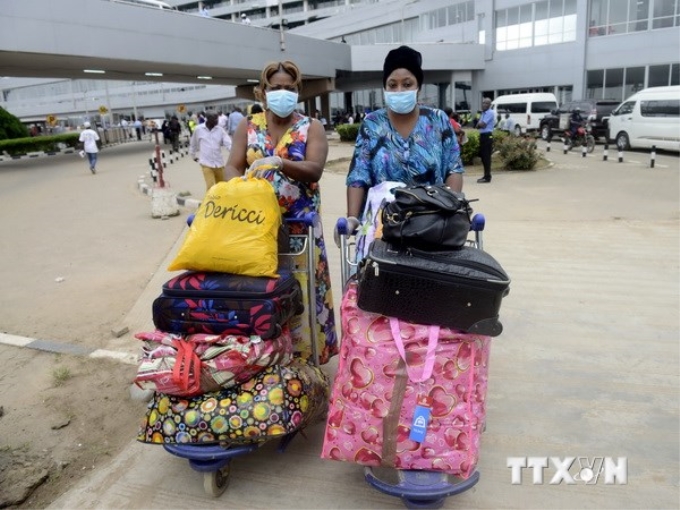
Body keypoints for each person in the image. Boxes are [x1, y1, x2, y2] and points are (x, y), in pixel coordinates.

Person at [224, 60, 337, 365]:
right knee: (262, 290)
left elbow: (314, 170)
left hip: (300, 229)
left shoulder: (310, 127)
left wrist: (280, 162)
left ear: (297, 92)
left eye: (289, 88)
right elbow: (233, 164)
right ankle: (267, 358)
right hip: (257, 227)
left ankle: (306, 361)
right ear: (263, 92)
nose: (282, 93)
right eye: (276, 88)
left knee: (302, 290)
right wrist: (233, 187)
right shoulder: (248, 126)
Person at [345, 45, 464, 248]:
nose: (399, 90)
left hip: (431, 224)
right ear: (385, 87)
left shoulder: (437, 120)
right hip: (380, 227)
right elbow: (358, 175)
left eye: (407, 84)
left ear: (418, 86)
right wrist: (352, 218)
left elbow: (453, 169)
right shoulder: (372, 124)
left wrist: (450, 209)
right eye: (392, 85)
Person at [189, 112, 232, 192]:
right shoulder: (198, 129)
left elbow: (228, 143)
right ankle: (209, 203)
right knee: (211, 187)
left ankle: (221, 203)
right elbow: (193, 143)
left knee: (222, 186)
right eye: (214, 119)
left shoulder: (220, 130)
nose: (217, 121)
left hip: (219, 163)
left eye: (217, 118)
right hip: (206, 163)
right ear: (208, 119)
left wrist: (233, 152)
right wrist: (193, 156)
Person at [476, 97, 495, 183]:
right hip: (483, 135)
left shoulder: (490, 113)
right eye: (483, 103)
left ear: (490, 105)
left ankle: (487, 177)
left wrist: (479, 124)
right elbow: (477, 125)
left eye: (486, 103)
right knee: (483, 157)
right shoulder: (483, 113)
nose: (484, 104)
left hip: (487, 136)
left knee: (486, 157)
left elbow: (482, 124)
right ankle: (485, 175)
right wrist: (479, 124)